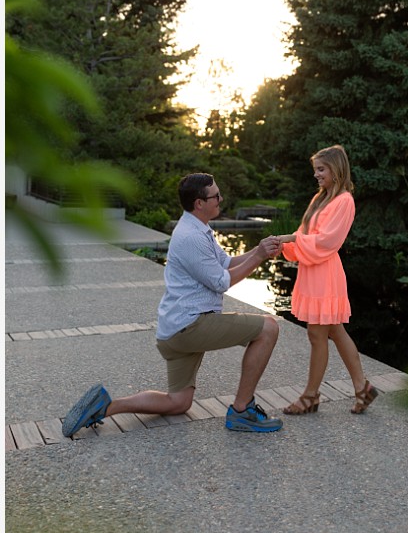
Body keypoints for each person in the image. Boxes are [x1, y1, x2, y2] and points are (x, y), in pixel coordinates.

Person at [62, 173, 285, 436]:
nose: (221, 199)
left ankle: (105, 406)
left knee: (179, 402)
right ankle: (242, 411)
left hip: (176, 330)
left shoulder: (199, 229)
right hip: (191, 326)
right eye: (215, 195)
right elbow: (222, 282)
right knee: (268, 327)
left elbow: (226, 264)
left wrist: (260, 249)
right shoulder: (190, 236)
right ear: (199, 203)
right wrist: (259, 256)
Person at [276, 145, 378, 416]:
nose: (317, 175)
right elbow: (303, 233)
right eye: (315, 170)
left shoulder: (344, 200)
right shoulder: (319, 199)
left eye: (321, 169)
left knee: (317, 332)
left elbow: (329, 241)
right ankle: (362, 388)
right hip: (312, 270)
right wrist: (283, 245)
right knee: (334, 330)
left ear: (336, 168)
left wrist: (293, 240)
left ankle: (310, 396)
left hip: (325, 271)